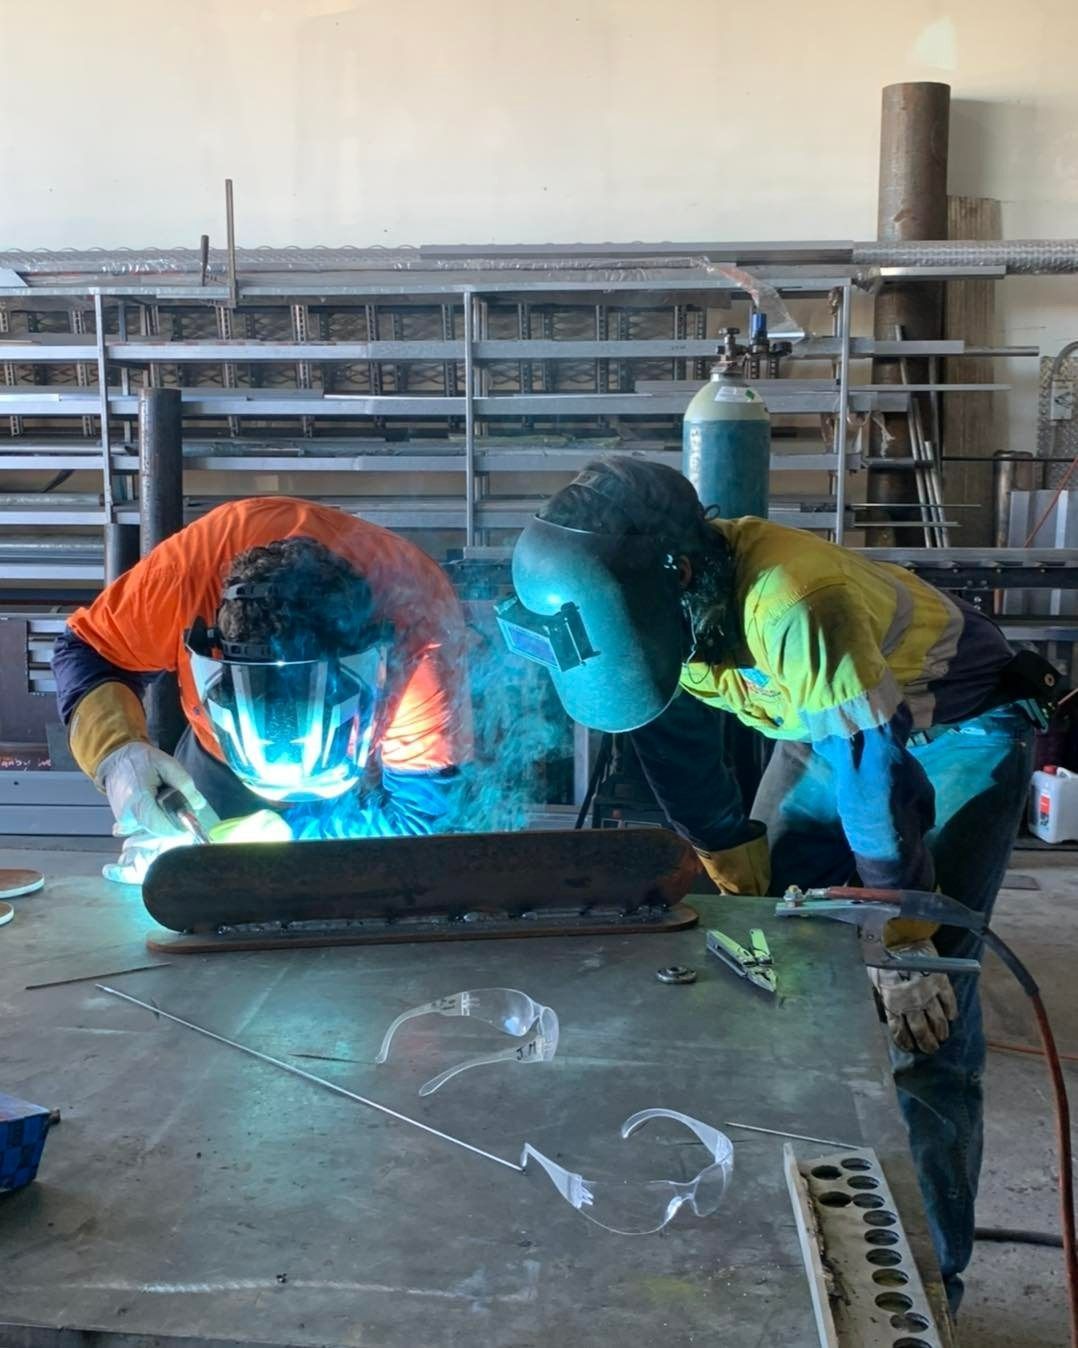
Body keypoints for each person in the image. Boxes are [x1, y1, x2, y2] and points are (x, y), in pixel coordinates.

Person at [498, 455, 1059, 1310]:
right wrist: (740, 875)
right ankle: (803, 1213)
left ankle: (932, 1283)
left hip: (953, 725)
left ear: (682, 574)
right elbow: (679, 754)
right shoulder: (661, 615)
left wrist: (899, 942)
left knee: (924, 1022)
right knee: (772, 962)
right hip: (822, 719)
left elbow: (876, 772)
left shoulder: (793, 600)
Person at [54, 497, 472, 875]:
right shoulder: (183, 579)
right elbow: (89, 651)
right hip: (220, 768)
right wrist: (117, 753)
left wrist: (289, 836)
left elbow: (421, 818)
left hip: (362, 780)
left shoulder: (417, 633)